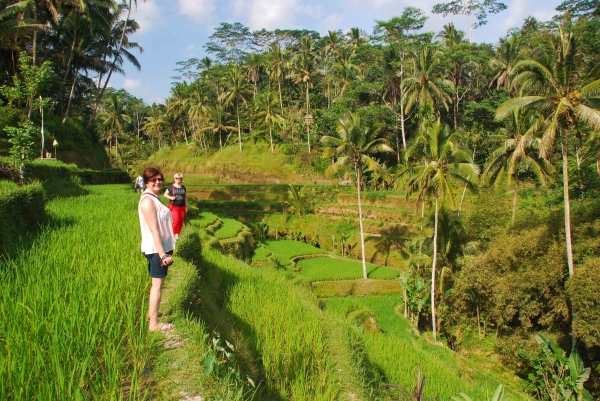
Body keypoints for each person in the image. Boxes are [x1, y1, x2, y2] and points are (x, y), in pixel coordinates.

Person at [139, 167, 175, 331]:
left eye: (160, 179)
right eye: (153, 180)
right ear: (146, 182)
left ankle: (152, 312)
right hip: (156, 249)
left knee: (158, 284)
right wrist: (162, 254)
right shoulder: (147, 201)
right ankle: (153, 324)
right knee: (157, 285)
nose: (158, 182)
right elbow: (154, 230)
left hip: (159, 248)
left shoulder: (155, 197)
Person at [164, 173, 188, 241]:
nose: (178, 179)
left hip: (182, 207)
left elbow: (185, 197)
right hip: (174, 206)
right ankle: (171, 234)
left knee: (180, 221)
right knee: (176, 220)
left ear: (181, 179)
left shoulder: (183, 187)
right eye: (176, 178)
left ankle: (177, 235)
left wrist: (186, 206)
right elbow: (165, 194)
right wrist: (171, 197)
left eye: (179, 178)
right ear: (174, 179)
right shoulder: (171, 187)